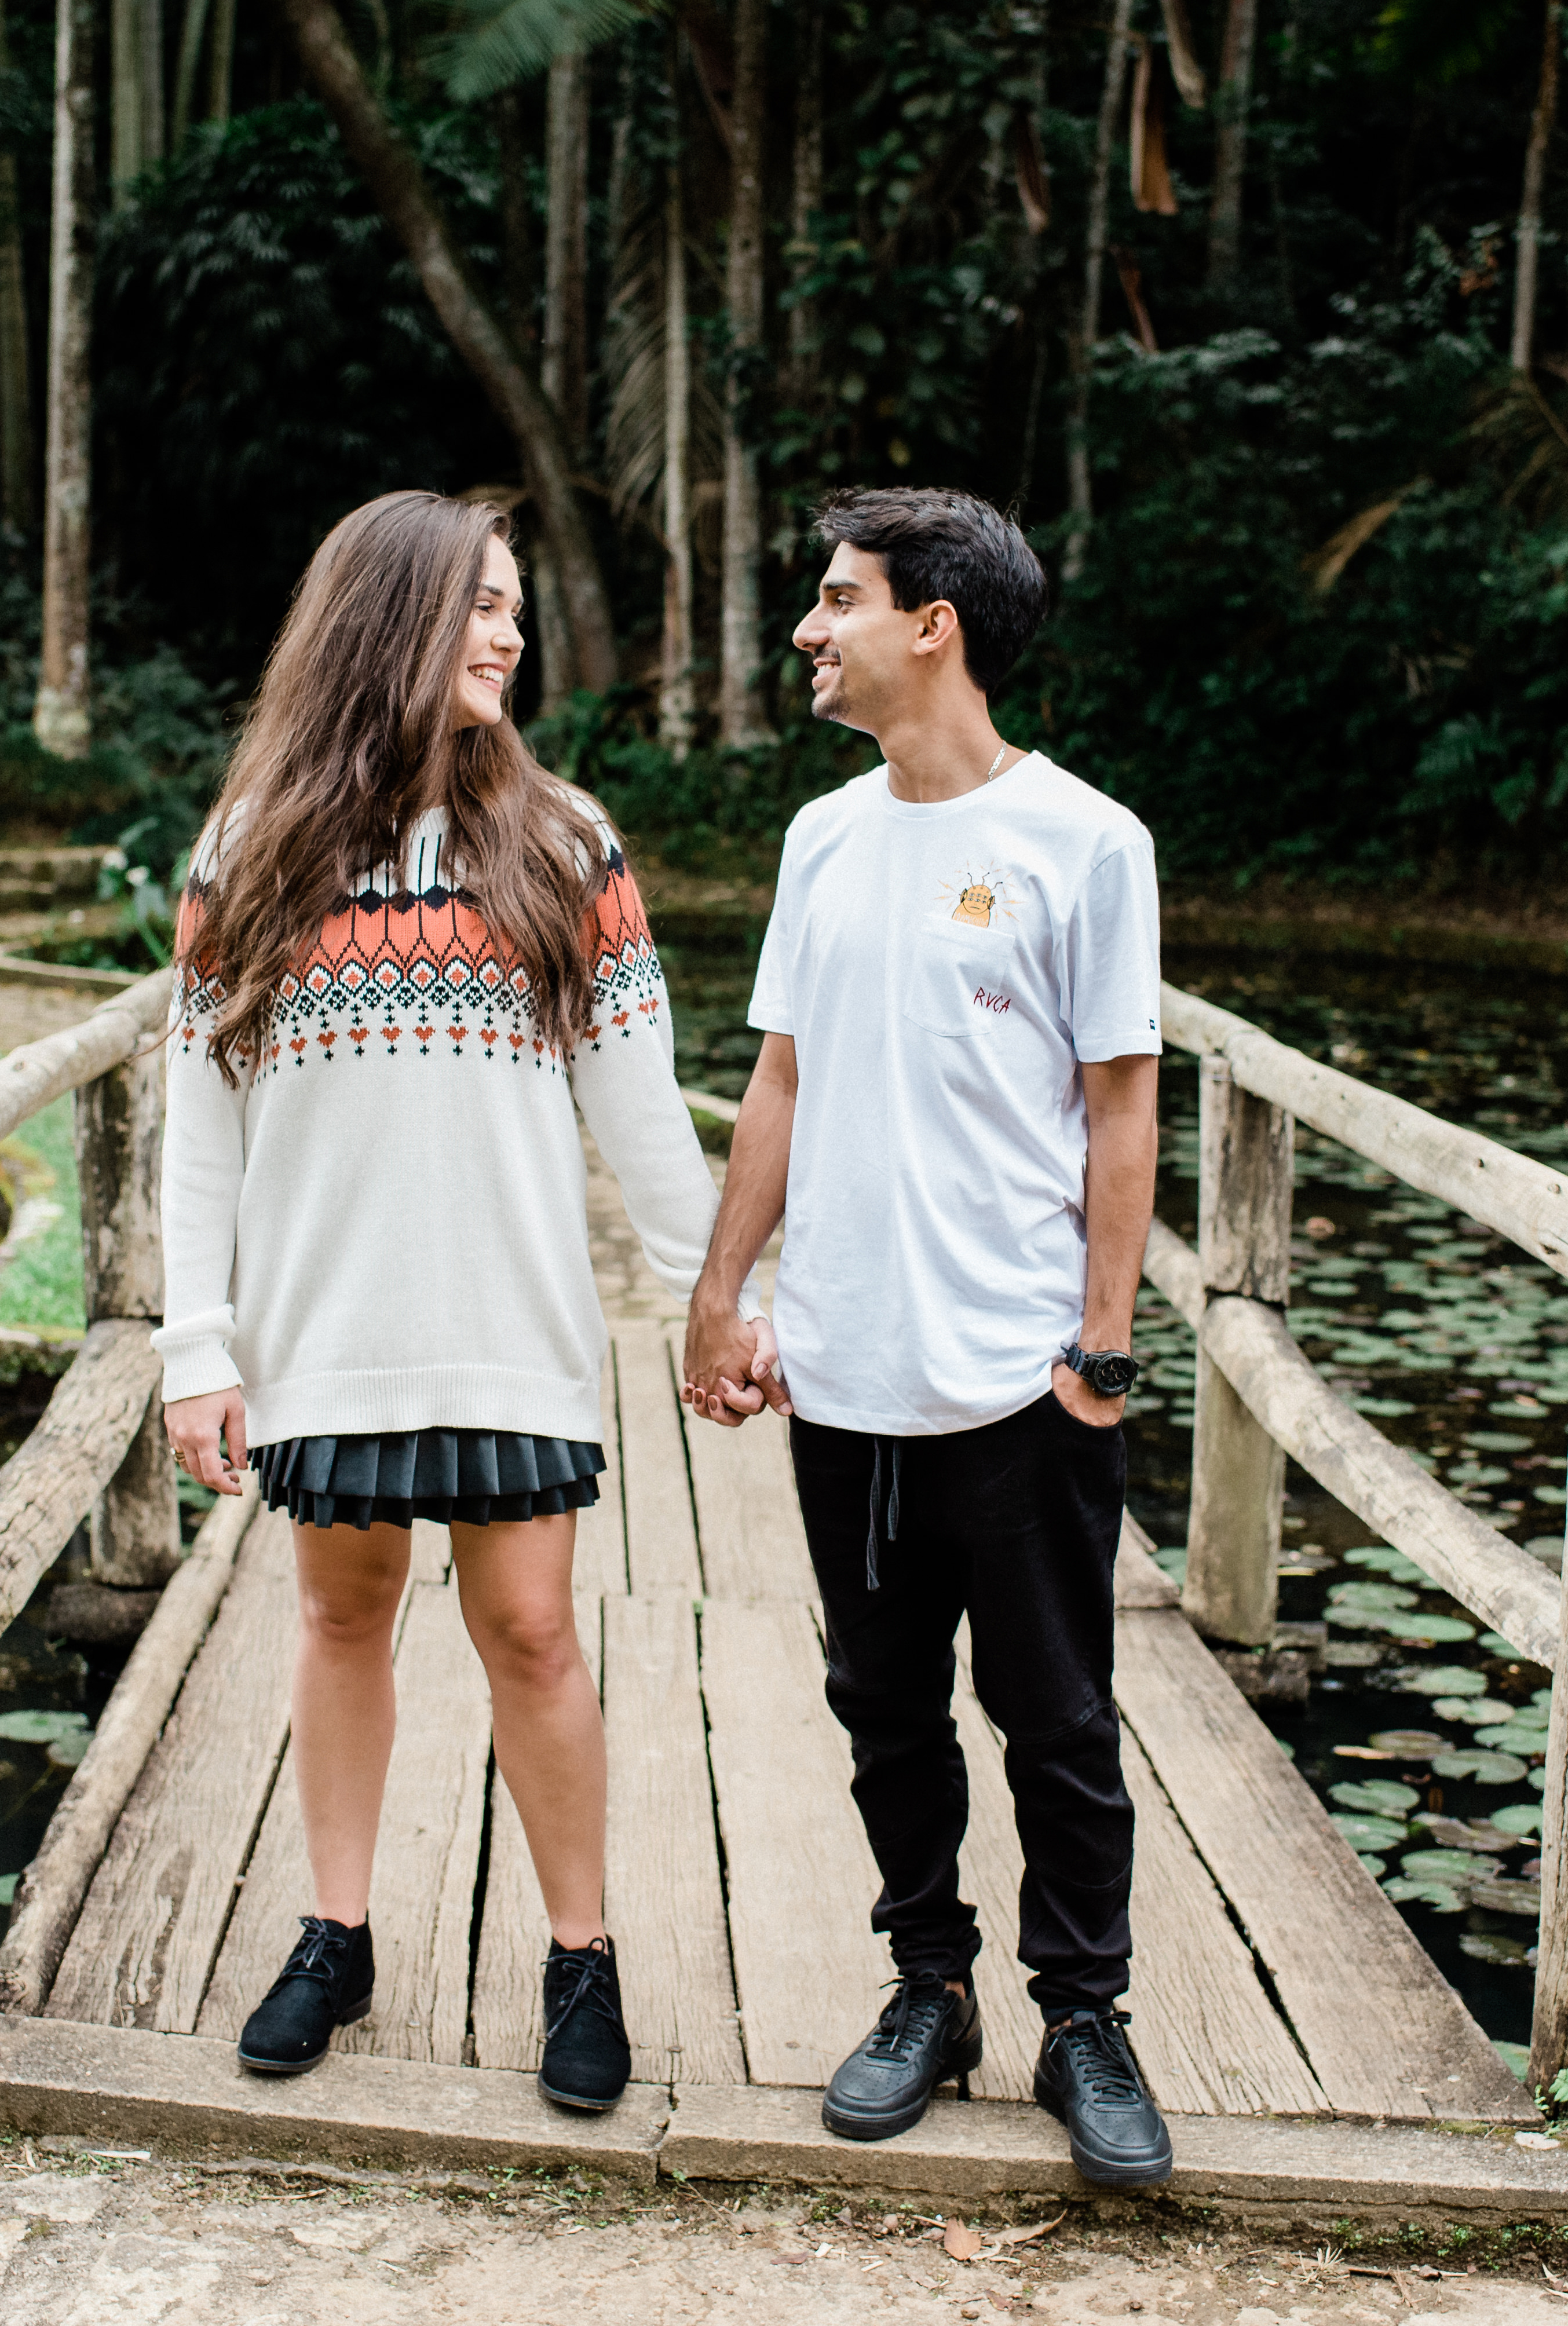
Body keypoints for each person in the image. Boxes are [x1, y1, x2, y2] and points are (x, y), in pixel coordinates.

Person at [156, 489, 720, 2115]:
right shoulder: (246, 856)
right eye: (481, 604)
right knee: (341, 1617)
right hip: (324, 1335)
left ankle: (581, 1955)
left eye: (515, 607)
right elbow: (202, 1137)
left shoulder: (564, 844)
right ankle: (338, 1935)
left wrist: (718, 1306)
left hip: (512, 1328)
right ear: (387, 619)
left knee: (531, 1630)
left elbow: (642, 1113)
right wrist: (199, 1348)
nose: (510, 633)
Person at [681, 488, 1171, 2186]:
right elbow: (784, 1082)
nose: (811, 630)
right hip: (849, 1371)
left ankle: (1087, 2021)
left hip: (1021, 1378)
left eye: (838, 599)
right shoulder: (824, 840)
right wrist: (720, 1290)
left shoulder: (1086, 843)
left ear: (933, 622)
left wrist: (1100, 1348)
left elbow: (1122, 1109)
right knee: (883, 1707)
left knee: (1060, 1722)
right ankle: (930, 1989)